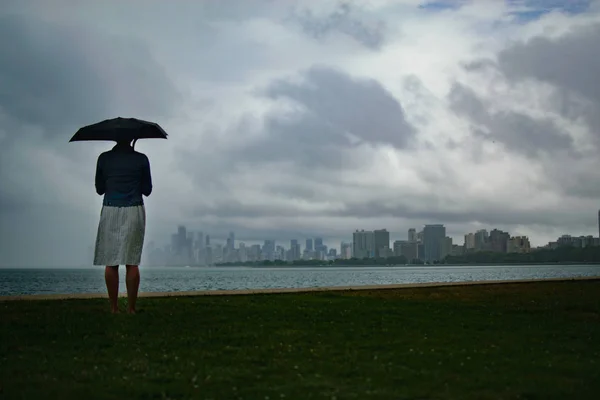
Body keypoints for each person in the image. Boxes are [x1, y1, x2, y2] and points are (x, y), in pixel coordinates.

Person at [93, 138, 152, 314]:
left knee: (111, 262)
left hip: (110, 209)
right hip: (134, 209)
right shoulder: (141, 159)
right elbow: (147, 189)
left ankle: (113, 308)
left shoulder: (103, 158)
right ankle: (132, 309)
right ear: (132, 138)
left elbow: (99, 189)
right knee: (132, 261)